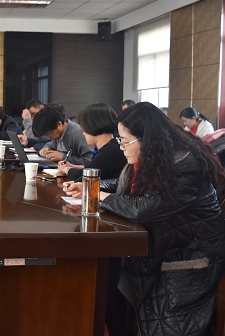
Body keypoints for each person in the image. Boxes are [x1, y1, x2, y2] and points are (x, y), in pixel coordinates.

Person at [65, 102, 225, 336]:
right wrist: (91, 186)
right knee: (109, 288)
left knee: (115, 290)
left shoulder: (185, 165)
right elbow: (129, 187)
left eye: (125, 141)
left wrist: (97, 193)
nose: (121, 147)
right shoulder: (155, 159)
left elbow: (142, 208)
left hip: (189, 259)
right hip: (162, 247)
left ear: (147, 140)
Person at [57, 103, 127, 181]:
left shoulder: (110, 151)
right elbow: (94, 168)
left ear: (93, 126)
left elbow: (84, 177)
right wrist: (73, 167)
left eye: (84, 128)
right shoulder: (111, 146)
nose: (83, 133)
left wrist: (66, 169)